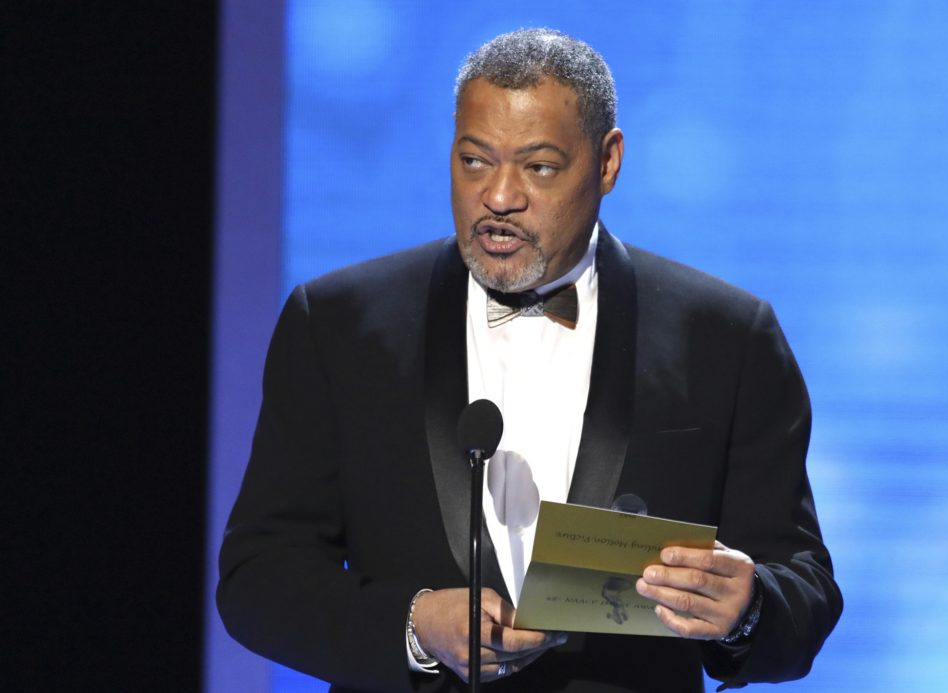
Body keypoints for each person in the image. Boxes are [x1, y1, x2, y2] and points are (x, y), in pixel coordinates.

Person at [218, 28, 842, 692]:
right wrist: (414, 624)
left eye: (538, 166)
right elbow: (258, 578)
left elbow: (802, 590)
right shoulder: (340, 325)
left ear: (607, 162)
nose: (498, 196)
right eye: (474, 161)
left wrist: (744, 611)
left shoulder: (725, 338)